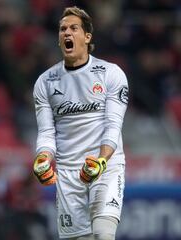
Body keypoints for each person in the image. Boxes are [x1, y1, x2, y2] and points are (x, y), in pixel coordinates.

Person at [32, 6, 128, 240]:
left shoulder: (110, 73)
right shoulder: (45, 82)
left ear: (87, 36)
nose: (67, 33)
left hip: (105, 166)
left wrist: (102, 160)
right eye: (62, 29)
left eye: (74, 28)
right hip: (67, 174)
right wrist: (43, 157)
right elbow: (46, 132)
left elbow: (113, 126)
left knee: (103, 235)